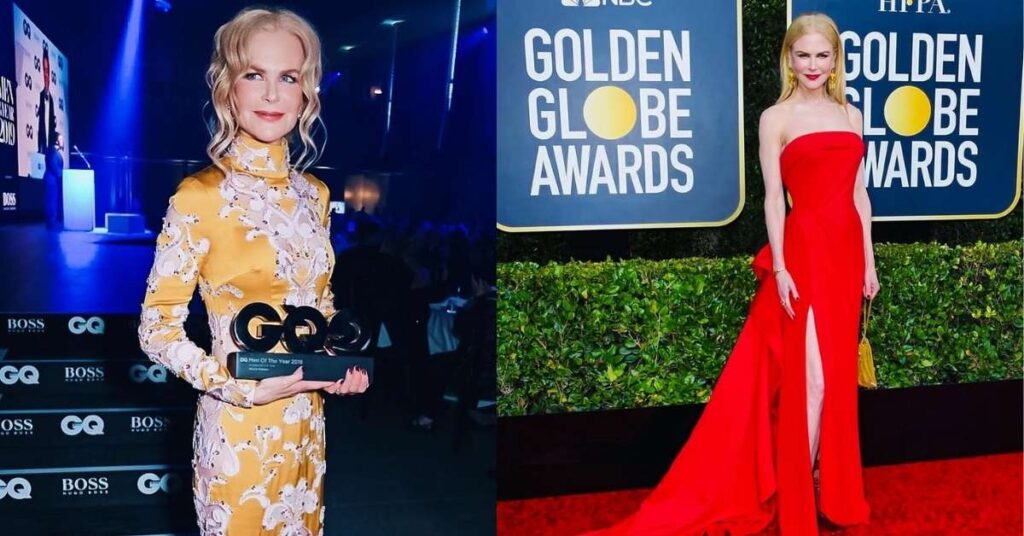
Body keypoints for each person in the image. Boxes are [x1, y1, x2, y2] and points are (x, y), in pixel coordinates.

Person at [585, 13, 879, 535]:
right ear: (789, 59)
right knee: (810, 379)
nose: (812, 65)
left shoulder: (852, 115)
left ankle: (825, 487)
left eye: (822, 55)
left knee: (835, 383)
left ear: (836, 61)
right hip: (806, 253)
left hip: (846, 258)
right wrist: (783, 265)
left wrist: (870, 262)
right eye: (802, 55)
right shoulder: (775, 118)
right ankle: (796, 497)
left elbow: (860, 195)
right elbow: (772, 200)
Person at [137, 8, 369, 534]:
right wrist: (236, 388)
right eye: (254, 75)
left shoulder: (315, 195)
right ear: (228, 89)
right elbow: (157, 330)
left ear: (307, 92)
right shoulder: (200, 196)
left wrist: (336, 362)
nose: (271, 95)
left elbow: (319, 304)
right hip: (238, 431)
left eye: (288, 77)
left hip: (307, 427)